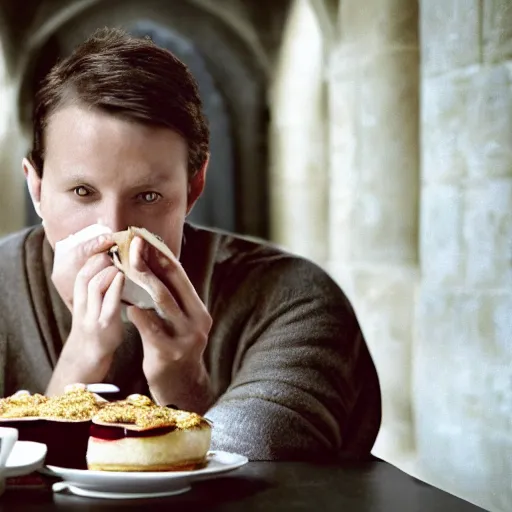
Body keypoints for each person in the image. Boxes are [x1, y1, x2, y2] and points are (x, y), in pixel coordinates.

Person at [0, 28, 381, 461]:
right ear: (36, 188)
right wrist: (79, 365)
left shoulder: (294, 300)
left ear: (193, 188)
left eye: (147, 196)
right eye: (83, 193)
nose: (113, 229)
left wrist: (185, 382)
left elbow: (262, 474)